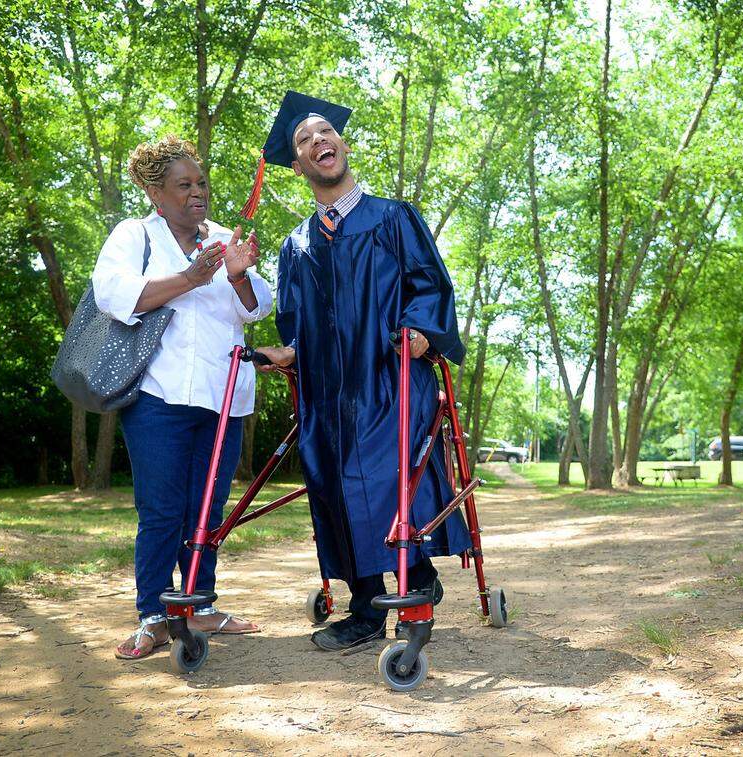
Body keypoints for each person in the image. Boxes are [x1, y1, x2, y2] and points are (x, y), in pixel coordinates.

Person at [255, 92, 472, 651]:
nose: (318, 142)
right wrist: (290, 352)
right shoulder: (295, 245)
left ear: (343, 144)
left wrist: (423, 329)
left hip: (390, 376)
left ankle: (416, 575)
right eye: (304, 140)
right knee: (330, 479)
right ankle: (365, 608)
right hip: (327, 390)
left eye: (326, 133)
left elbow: (429, 285)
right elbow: (295, 322)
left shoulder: (394, 218)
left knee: (385, 467)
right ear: (297, 163)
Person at [90, 135, 273, 660]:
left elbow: (257, 307)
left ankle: (199, 605)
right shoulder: (134, 236)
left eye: (201, 184)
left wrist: (236, 276)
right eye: (183, 185)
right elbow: (114, 295)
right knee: (162, 509)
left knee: (207, 511)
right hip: (157, 397)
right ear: (155, 193)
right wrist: (191, 278)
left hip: (222, 398)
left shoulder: (222, 237)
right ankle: (153, 615)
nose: (197, 193)